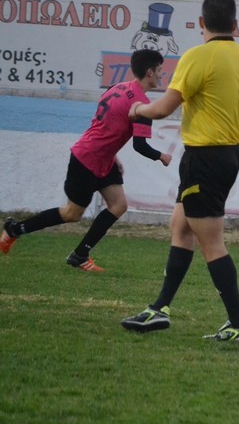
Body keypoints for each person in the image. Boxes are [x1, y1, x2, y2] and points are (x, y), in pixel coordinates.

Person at [120, 0, 239, 343]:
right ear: (235, 25)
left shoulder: (196, 57)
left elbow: (162, 109)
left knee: (211, 243)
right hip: (226, 157)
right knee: (181, 227)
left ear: (202, 22)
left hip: (204, 158)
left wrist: (137, 109)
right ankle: (159, 308)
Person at [0, 49, 172, 270]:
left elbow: (104, 125)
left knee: (118, 205)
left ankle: (80, 255)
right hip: (87, 160)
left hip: (103, 159)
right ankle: (15, 229)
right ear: (149, 72)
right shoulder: (142, 105)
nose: (161, 75)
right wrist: (161, 156)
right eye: (159, 70)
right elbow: (140, 146)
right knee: (72, 213)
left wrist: (112, 155)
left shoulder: (117, 87)